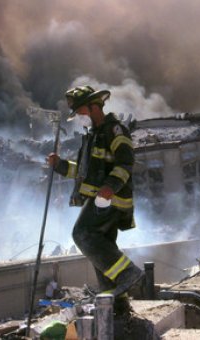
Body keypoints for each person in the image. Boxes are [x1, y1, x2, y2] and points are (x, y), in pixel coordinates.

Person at [46, 85, 144, 306]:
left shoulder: (115, 130)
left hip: (111, 199)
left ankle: (128, 273)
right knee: (102, 251)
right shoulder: (93, 137)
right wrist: (59, 165)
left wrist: (110, 186)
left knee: (82, 233)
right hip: (100, 199)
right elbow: (82, 172)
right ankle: (117, 303)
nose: (80, 117)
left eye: (81, 111)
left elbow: (126, 163)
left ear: (94, 106)